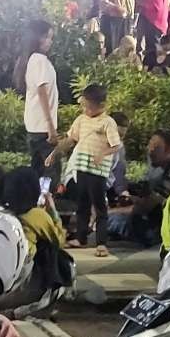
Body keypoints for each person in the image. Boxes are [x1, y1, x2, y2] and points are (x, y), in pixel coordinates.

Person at [57, 83, 121, 254]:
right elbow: (71, 138)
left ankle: (101, 242)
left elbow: (116, 145)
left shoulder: (108, 122)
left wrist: (103, 153)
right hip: (82, 168)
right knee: (82, 204)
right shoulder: (81, 120)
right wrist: (57, 148)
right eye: (84, 105)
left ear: (101, 105)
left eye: (89, 107)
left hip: (98, 171)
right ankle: (81, 237)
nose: (86, 109)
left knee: (99, 206)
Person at [16, 19, 59, 175]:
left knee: (37, 170)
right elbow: (42, 92)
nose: (50, 42)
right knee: (50, 170)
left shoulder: (31, 59)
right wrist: (50, 126)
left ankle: (37, 197)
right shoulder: (40, 60)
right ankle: (47, 198)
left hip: (33, 125)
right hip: (43, 126)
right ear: (37, 38)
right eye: (47, 37)